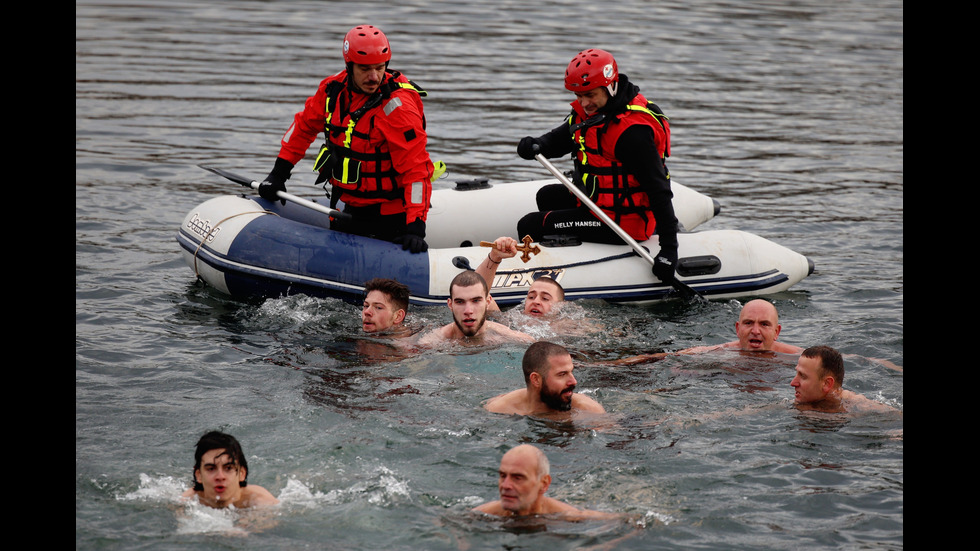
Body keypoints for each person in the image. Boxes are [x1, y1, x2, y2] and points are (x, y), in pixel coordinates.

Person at [259, 24, 439, 253]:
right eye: (365, 69)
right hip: (349, 206)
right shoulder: (332, 90)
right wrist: (278, 173)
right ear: (349, 66)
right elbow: (302, 128)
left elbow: (416, 171)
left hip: (392, 216)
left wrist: (416, 227)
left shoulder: (398, 109)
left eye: (379, 68)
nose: (373, 77)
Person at [515, 48, 679, 284]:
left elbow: (659, 189)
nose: (583, 102)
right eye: (578, 95)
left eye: (589, 95)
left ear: (610, 86)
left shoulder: (632, 133)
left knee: (529, 225)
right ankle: (568, 258)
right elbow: (560, 140)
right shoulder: (594, 112)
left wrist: (669, 251)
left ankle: (541, 280)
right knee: (547, 196)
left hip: (623, 222)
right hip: (598, 204)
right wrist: (536, 144)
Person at [609, 299, 802, 366]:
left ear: (777, 332)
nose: (755, 331)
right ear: (737, 328)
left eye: (764, 324)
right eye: (748, 323)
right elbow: (671, 356)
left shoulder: (797, 358)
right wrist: (614, 365)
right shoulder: (723, 352)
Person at [473, 444, 616, 519]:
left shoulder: (569, 517)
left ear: (544, 483)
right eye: (503, 476)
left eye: (518, 478)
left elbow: (631, 522)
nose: (505, 486)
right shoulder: (484, 515)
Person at [484, 341, 605, 415]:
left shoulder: (588, 410)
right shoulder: (500, 410)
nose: (573, 381)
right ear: (536, 379)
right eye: (562, 374)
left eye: (571, 372)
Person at [417, 271, 534, 346]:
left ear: (488, 302)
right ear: (450, 305)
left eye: (476, 301)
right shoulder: (431, 343)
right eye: (460, 302)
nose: (468, 311)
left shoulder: (508, 337)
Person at [181, 431, 279, 509]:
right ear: (199, 475)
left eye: (228, 468)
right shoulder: (188, 502)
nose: (220, 476)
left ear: (242, 473)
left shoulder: (261, 501)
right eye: (211, 469)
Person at [475, 236, 565, 317]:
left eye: (545, 298)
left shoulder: (571, 327)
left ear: (560, 306)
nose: (536, 302)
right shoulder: (508, 323)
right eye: (531, 297)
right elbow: (476, 292)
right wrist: (495, 256)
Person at [792, 345, 898, 413]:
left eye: (803, 376)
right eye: (796, 373)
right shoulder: (800, 404)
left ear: (827, 384)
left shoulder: (858, 405)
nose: (793, 383)